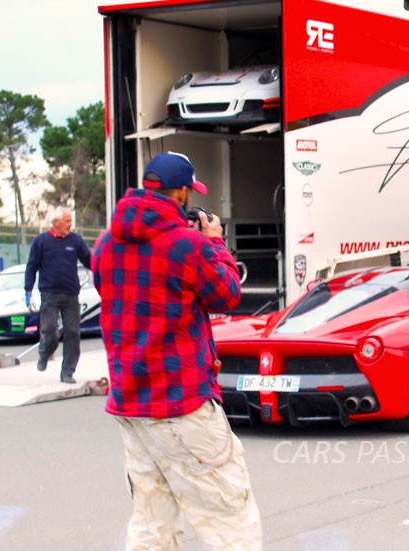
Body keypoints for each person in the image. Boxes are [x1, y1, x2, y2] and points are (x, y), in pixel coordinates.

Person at [91, 151, 261, 550]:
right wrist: (216, 243)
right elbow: (227, 294)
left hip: (131, 403)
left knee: (153, 518)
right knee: (227, 514)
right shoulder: (187, 245)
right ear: (183, 192)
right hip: (182, 401)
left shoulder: (105, 245)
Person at [24, 207, 91, 384]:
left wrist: (105, 271)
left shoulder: (75, 241)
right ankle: (44, 353)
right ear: (56, 223)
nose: (71, 225)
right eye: (67, 221)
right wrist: (28, 290)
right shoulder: (41, 242)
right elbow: (32, 266)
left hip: (70, 294)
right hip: (49, 294)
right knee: (49, 330)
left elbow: (89, 260)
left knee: (72, 333)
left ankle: (67, 371)